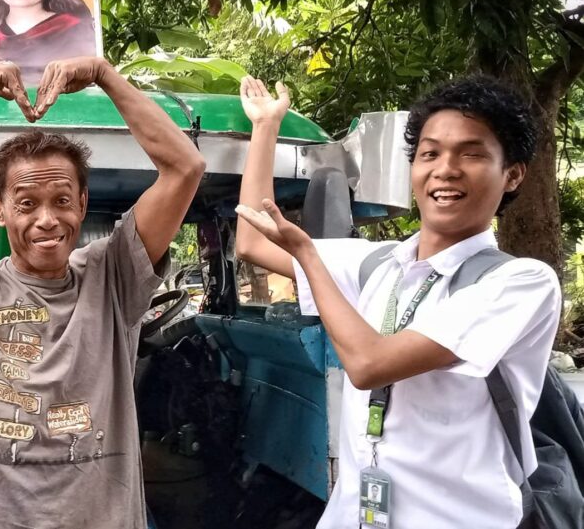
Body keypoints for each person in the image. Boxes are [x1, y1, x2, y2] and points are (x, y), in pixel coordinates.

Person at [0, 57, 205, 528]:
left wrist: (105, 76)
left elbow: (185, 168)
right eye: (27, 204)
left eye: (62, 201)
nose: (47, 219)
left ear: (82, 204)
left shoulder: (114, 275)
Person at [233, 75, 560, 528]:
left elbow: (370, 365)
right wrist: (266, 127)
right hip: (356, 515)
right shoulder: (376, 264)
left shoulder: (520, 282)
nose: (445, 168)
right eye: (430, 153)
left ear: (513, 174)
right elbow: (252, 239)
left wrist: (307, 253)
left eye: (472, 153)